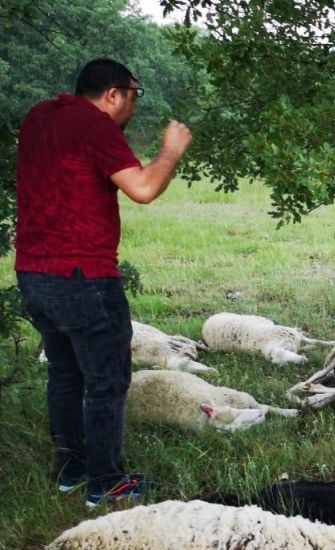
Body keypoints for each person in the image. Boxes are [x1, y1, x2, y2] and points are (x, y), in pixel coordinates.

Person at [15, 58, 192, 507]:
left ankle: (72, 470)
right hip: (84, 277)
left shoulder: (40, 116)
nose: (134, 107)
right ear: (114, 93)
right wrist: (171, 149)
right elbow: (144, 188)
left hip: (34, 272)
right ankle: (106, 482)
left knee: (65, 374)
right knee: (107, 381)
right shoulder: (94, 126)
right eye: (135, 96)